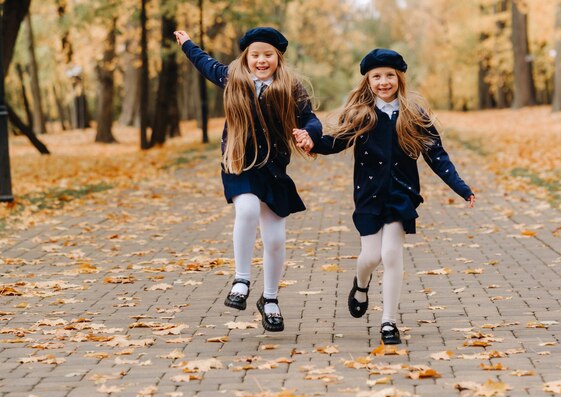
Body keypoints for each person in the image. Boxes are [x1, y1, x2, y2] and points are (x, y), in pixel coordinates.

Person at [294, 49, 475, 344]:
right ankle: (361, 284)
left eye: (389, 75)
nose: (383, 81)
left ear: (399, 78)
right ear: (368, 81)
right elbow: (334, 142)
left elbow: (437, 155)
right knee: (370, 256)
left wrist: (461, 187)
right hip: (368, 195)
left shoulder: (414, 115)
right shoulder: (360, 115)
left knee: (391, 255)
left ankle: (389, 322)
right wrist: (311, 141)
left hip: (400, 194)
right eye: (377, 76)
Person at [174, 27, 322, 332]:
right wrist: (188, 44)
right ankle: (241, 279)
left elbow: (310, 118)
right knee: (247, 211)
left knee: (276, 240)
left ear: (278, 58)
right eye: (255, 55)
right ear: (246, 57)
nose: (261, 60)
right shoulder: (234, 79)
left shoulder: (290, 88)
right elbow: (205, 63)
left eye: (268, 55)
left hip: (274, 170)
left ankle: (270, 300)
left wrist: (310, 134)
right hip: (240, 163)